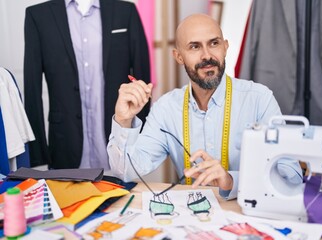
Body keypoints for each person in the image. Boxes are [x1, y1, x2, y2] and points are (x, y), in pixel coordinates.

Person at [107, 13, 301, 200]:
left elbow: (291, 176)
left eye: (214, 43)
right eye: (194, 47)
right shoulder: (166, 108)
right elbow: (126, 172)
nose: (207, 56)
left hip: (249, 213)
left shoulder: (260, 100)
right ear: (179, 57)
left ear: (225, 47)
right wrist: (123, 120)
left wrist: (231, 180)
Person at [24, 0, 150, 169]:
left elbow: (142, 80)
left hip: (118, 144)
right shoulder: (38, 16)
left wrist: (142, 142)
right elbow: (32, 88)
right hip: (64, 143)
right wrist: (37, 153)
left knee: (125, 195)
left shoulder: (125, 12)